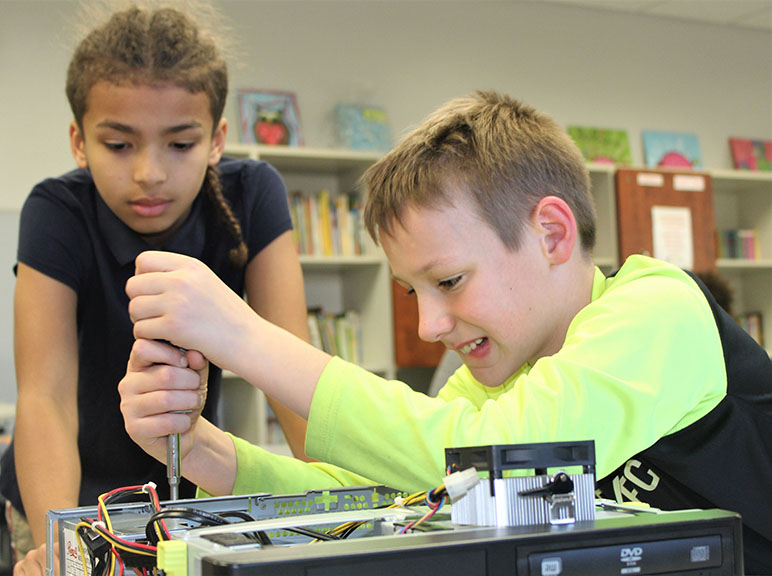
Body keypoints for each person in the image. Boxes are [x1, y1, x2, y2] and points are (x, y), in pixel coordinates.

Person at [57, 91, 772, 572]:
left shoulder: (657, 307)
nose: (430, 325)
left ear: (551, 232)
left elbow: (511, 457)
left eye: (450, 282)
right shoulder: (498, 377)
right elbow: (376, 499)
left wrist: (247, 338)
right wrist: (208, 452)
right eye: (412, 293)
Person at [1, 2, 313, 567]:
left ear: (217, 139)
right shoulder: (55, 211)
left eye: (180, 144)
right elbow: (45, 397)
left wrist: (330, 508)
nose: (149, 172)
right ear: (79, 141)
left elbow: (292, 368)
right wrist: (59, 542)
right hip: (64, 492)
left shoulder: (254, 194)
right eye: (119, 145)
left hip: (185, 490)